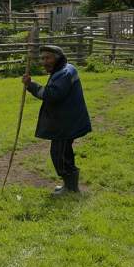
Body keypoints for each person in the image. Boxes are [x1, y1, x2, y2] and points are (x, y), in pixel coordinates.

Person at [22, 45, 91, 194]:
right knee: (64, 153)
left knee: (59, 154)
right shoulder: (63, 69)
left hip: (67, 123)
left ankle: (71, 187)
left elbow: (52, 95)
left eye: (48, 58)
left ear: (57, 58)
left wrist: (31, 85)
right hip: (68, 120)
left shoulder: (64, 73)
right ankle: (70, 185)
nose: (44, 61)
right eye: (42, 58)